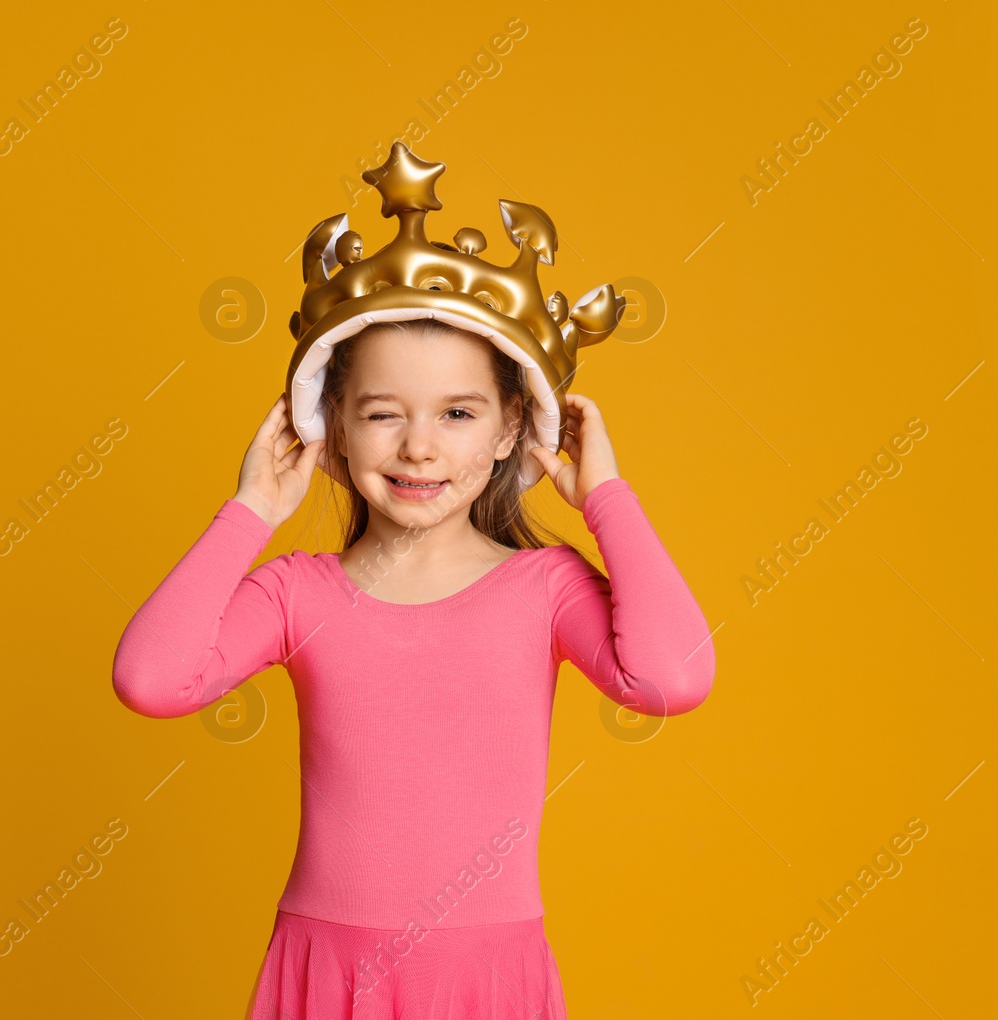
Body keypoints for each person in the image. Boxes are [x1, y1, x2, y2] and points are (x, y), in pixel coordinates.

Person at [111, 315, 717, 1018]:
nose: (419, 447)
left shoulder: (545, 588)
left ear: (508, 427)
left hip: (487, 982)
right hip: (327, 977)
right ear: (333, 426)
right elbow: (151, 679)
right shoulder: (296, 593)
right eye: (381, 414)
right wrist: (251, 511)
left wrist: (606, 499)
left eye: (457, 413)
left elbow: (670, 679)